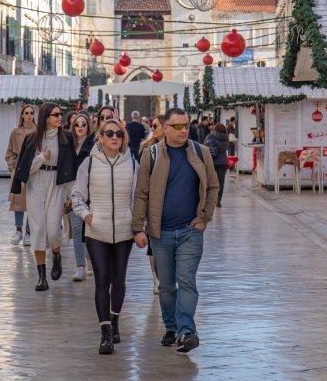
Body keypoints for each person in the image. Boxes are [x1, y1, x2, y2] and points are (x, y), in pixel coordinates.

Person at [132, 108, 219, 353]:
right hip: (160, 233)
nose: (184, 130)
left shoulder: (201, 152)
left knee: (187, 281)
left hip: (191, 230)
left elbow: (213, 186)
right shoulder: (150, 154)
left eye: (187, 125)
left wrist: (204, 218)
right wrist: (138, 228)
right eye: (178, 126)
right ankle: (171, 327)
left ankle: (186, 332)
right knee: (167, 285)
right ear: (166, 128)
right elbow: (141, 193)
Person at [71, 118, 137, 355]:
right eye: (109, 133)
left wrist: (138, 225)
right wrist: (89, 217)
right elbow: (76, 196)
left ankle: (115, 321)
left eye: (119, 134)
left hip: (123, 230)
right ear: (100, 137)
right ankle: (105, 333)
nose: (114, 138)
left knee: (119, 280)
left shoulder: (132, 163)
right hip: (96, 231)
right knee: (102, 281)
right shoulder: (88, 164)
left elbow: (137, 197)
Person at [11, 102, 76, 291]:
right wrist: (41, 158)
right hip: (36, 185)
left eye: (60, 114)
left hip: (56, 185)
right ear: (46, 117)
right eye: (55, 114)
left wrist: (70, 194)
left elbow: (70, 167)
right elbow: (24, 169)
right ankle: (41, 277)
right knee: (38, 231)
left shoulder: (66, 138)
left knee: (54, 231)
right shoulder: (32, 139)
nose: (59, 117)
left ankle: (56, 254)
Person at [138, 114, 165, 294]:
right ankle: (156, 279)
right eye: (152, 126)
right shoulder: (147, 148)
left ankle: (166, 277)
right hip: (152, 204)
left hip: (170, 203)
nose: (153, 129)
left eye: (156, 126)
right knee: (153, 244)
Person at [67, 112, 93, 281]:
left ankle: (91, 261)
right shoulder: (67, 145)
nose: (80, 127)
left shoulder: (94, 144)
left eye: (83, 124)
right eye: (77, 124)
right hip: (71, 191)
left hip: (91, 192)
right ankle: (80, 267)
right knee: (77, 229)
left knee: (90, 229)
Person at [6, 105, 36, 246]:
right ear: (22, 115)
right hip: (19, 167)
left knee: (32, 200)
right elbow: (10, 152)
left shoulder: (38, 131)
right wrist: (12, 168)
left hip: (34, 167)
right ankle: (18, 230)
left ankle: (29, 232)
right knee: (18, 200)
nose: (29, 115)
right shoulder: (15, 132)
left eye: (31, 113)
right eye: (26, 113)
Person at [204, 123, 230, 207]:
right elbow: (226, 148)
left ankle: (208, 200)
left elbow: (205, 147)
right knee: (220, 183)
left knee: (209, 182)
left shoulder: (210, 136)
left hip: (212, 161)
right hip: (223, 162)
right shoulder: (226, 138)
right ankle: (218, 201)